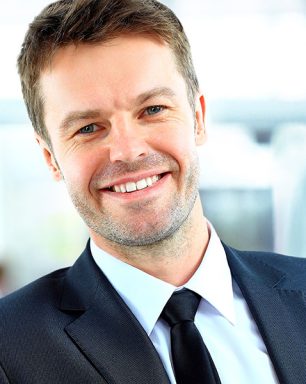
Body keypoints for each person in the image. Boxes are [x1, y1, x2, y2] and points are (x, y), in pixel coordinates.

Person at [0, 1, 305, 383]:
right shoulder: (8, 350)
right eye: (89, 128)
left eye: (153, 109)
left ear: (197, 118)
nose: (128, 151)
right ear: (51, 158)